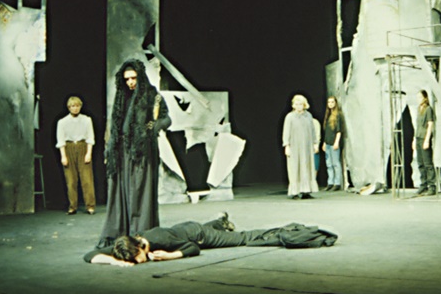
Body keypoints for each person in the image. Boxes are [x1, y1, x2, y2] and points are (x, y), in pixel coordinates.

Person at [97, 59, 171, 248]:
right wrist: (110, 149)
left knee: (140, 192)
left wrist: (154, 127)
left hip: (142, 152)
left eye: (133, 78)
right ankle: (118, 234)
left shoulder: (151, 94)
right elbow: (115, 125)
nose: (130, 82)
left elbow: (166, 118)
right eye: (127, 79)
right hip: (121, 152)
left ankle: (140, 235)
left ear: (140, 77)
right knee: (119, 192)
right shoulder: (121, 96)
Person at [84, 214, 338, 266]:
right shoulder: (127, 244)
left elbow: (193, 248)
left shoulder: (161, 241)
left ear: (142, 246)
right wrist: (116, 262)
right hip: (184, 228)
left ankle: (290, 229)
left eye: (137, 258)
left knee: (244, 239)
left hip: (199, 235)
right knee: (217, 229)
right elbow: (89, 255)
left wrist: (170, 256)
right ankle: (220, 221)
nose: (138, 261)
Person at [56, 95, 96, 215]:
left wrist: (88, 153)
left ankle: (90, 205)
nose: (75, 108)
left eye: (77, 106)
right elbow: (61, 140)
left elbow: (90, 137)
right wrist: (63, 156)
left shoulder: (86, 120)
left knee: (87, 179)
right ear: (69, 107)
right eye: (73, 106)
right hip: (69, 148)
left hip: (83, 147)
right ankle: (72, 206)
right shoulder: (62, 122)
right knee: (71, 180)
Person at [282, 94, 318, 199]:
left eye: (300, 104)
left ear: (304, 105)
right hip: (294, 146)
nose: (298, 106)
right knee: (295, 168)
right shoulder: (290, 117)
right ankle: (295, 192)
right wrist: (286, 145)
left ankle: (306, 191)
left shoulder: (308, 116)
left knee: (307, 167)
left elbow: (312, 130)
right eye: (296, 104)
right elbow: (286, 132)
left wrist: (315, 143)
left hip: (306, 146)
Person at [413, 90, 436, 196]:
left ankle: (432, 186)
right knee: (420, 163)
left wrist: (427, 140)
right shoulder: (419, 109)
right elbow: (417, 125)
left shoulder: (428, 109)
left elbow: (430, 125)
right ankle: (423, 184)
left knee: (428, 163)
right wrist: (414, 139)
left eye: (420, 97)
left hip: (424, 138)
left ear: (425, 98)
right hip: (418, 137)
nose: (418, 99)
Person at [322, 96, 344, 191]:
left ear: (335, 103)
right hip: (327, 142)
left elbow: (339, 130)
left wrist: (336, 142)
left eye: (332, 102)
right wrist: (324, 142)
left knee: (335, 163)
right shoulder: (328, 115)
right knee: (329, 164)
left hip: (334, 142)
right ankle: (330, 182)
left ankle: (337, 183)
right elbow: (327, 131)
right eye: (329, 102)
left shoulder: (338, 115)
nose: (330, 104)